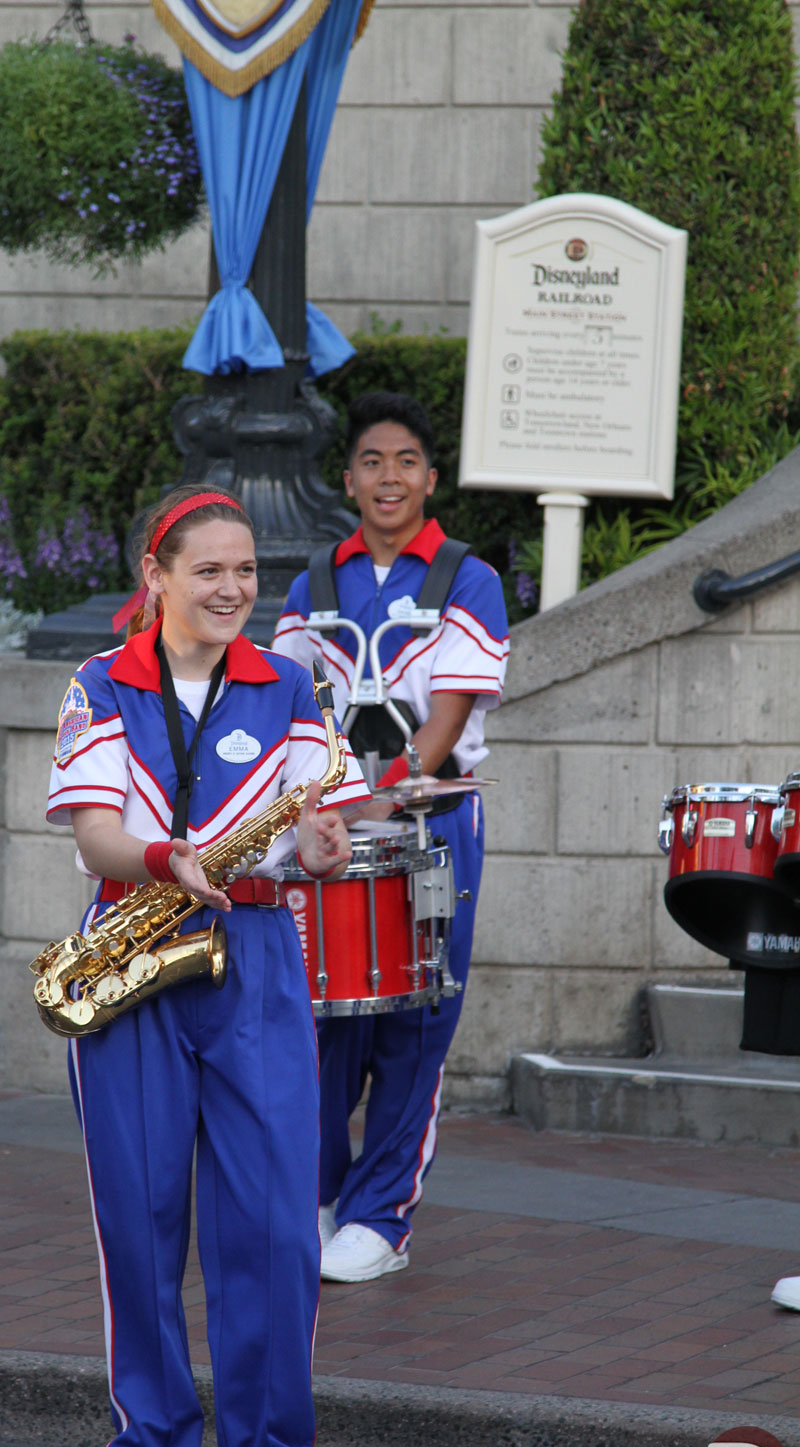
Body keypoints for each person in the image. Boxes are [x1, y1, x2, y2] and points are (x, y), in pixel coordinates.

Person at [45, 486, 371, 1447]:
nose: (233, 588)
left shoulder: (289, 681)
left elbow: (323, 821)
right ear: (157, 575)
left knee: (275, 1231)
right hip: (136, 949)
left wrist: (324, 842)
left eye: (246, 572)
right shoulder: (102, 684)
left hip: (260, 958)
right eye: (209, 571)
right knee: (138, 1231)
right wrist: (159, 857)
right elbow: (94, 836)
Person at [272, 393, 509, 1284]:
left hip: (432, 823)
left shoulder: (466, 577)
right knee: (323, 1014)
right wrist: (313, 805)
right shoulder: (313, 585)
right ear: (348, 478)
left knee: (418, 1016)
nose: (389, 478)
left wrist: (381, 795)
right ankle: (321, 1196)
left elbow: (447, 718)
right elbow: (292, 710)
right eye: (372, 462)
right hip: (332, 824)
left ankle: (382, 1218)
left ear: (430, 477)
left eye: (406, 461)